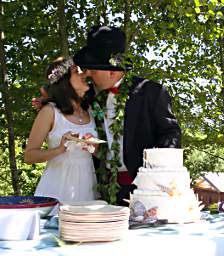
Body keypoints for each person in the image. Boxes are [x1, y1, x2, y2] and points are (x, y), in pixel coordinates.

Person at [73, 25, 182, 206]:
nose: (88, 73)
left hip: (144, 191)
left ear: (112, 71)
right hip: (100, 189)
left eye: (93, 69)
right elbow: (63, 101)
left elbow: (170, 134)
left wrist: (157, 178)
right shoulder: (88, 95)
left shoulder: (151, 92)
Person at [24, 57, 99, 204]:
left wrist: (95, 149)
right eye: (77, 72)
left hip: (88, 190)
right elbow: (29, 156)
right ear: (65, 82)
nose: (84, 74)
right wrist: (59, 149)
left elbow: (101, 154)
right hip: (56, 190)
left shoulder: (91, 110)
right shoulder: (50, 112)